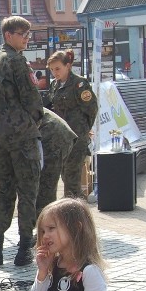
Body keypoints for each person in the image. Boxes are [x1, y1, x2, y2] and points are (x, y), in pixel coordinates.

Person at [0, 16, 43, 266]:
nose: (27, 39)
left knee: (4, 192)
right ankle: (24, 249)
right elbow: (32, 99)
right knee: (28, 192)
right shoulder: (17, 61)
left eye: (28, 34)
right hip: (22, 137)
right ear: (8, 35)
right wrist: (35, 121)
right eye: (22, 34)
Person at [45, 50, 98, 199]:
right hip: (62, 137)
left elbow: (91, 108)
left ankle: (75, 213)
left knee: (72, 179)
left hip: (76, 136)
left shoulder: (79, 84)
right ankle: (74, 210)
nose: (55, 73)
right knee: (65, 175)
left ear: (67, 66)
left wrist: (85, 129)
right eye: (52, 70)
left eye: (58, 68)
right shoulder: (55, 85)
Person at [36, 109, 77, 216]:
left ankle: (48, 223)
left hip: (54, 135)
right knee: (41, 182)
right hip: (48, 133)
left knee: (46, 184)